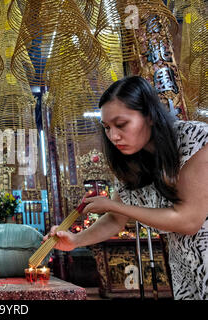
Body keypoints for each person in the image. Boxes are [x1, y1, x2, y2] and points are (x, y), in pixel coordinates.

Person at [45, 76, 208, 300]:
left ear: (149, 115)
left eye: (121, 125)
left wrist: (114, 205)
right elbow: (114, 220)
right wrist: (75, 240)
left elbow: (189, 220)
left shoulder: (193, 139)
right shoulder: (132, 162)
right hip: (185, 265)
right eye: (107, 128)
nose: (113, 136)